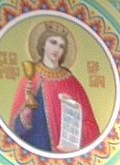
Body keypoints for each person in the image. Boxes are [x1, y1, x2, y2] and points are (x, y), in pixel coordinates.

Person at [8, 21, 99, 154]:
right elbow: (16, 130)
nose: (56, 49)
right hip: (36, 149)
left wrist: (72, 111)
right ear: (43, 44)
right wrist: (27, 109)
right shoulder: (31, 77)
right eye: (53, 42)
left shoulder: (72, 82)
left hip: (63, 153)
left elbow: (90, 124)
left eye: (61, 46)